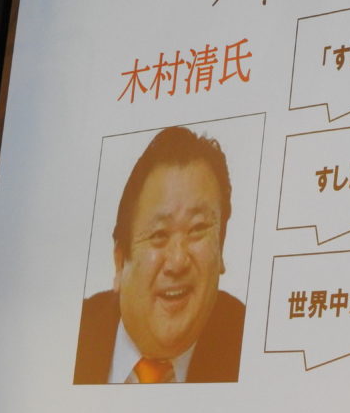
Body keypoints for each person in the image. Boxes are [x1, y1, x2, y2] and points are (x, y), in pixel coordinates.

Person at [74, 126, 245, 383]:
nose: (177, 262)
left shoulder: (248, 340)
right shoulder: (71, 333)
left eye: (197, 229)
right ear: (120, 262)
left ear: (220, 249)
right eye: (159, 234)